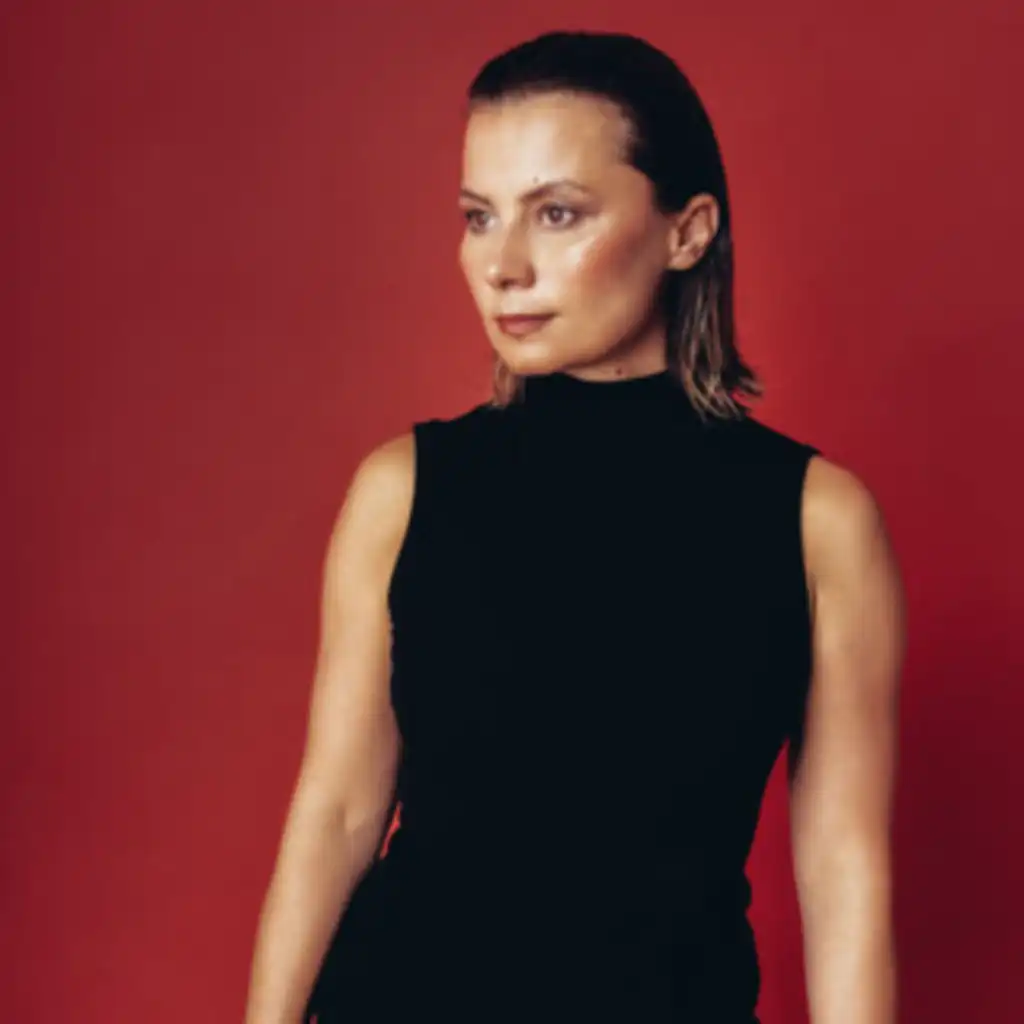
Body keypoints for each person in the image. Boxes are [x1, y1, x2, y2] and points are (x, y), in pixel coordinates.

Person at [244, 30, 904, 1024]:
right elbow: (336, 812)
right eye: (478, 217)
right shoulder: (402, 490)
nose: (502, 265)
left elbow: (843, 867)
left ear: (687, 231)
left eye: (557, 214)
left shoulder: (818, 522)